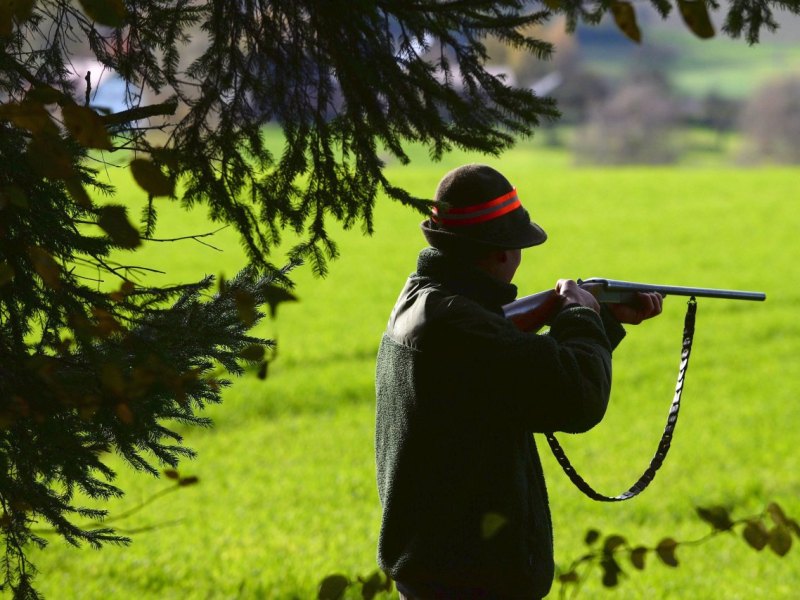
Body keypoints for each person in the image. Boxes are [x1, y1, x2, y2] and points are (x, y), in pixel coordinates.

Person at [374, 164, 662, 600]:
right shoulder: (463, 325)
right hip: (472, 580)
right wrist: (578, 314)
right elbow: (577, 396)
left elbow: (520, 373)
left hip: (441, 572)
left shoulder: (426, 299)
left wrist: (599, 319)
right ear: (501, 252)